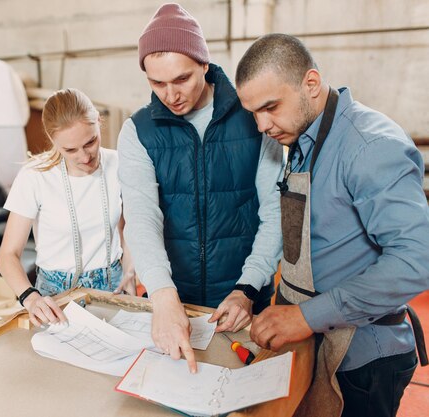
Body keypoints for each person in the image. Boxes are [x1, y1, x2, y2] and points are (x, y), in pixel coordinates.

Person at [235, 33, 429, 417]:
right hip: (314, 342)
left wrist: (307, 316)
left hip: (365, 361)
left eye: (270, 107)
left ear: (310, 83)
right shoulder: (301, 137)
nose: (261, 125)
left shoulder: (369, 146)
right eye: (253, 112)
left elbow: (416, 261)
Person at [117, 3, 283, 373]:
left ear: (205, 65)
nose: (170, 94)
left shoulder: (252, 116)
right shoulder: (138, 131)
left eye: (182, 79)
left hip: (244, 298)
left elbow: (274, 212)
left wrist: (249, 287)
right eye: (156, 83)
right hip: (175, 296)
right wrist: (162, 295)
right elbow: (142, 218)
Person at [0, 88, 136, 327]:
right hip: (55, 294)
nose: (84, 157)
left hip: (113, 286)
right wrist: (29, 297)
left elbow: (127, 229)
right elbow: (8, 255)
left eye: (90, 142)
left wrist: (130, 270)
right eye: (70, 150)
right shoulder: (34, 176)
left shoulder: (119, 164)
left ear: (99, 123)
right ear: (53, 141)